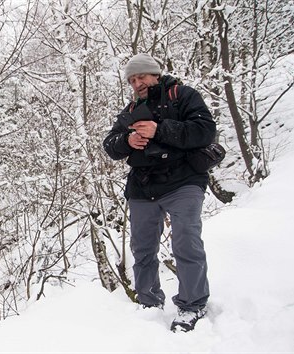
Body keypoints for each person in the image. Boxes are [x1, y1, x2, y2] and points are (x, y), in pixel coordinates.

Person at [102, 53, 215, 332]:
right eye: (132, 79)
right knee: (142, 249)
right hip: (143, 186)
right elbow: (110, 145)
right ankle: (149, 305)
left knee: (186, 241)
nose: (137, 83)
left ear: (155, 75)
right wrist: (128, 140)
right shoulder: (130, 109)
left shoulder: (184, 96)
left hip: (184, 180)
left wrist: (159, 130)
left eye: (141, 77)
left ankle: (192, 305)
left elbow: (205, 131)